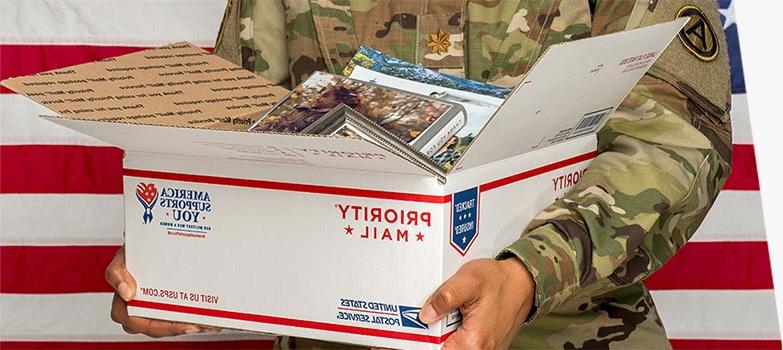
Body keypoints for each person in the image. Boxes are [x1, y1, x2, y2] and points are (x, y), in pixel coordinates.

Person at [106, 0, 732, 348]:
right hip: (340, 336)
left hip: (574, 331)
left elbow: (676, 143)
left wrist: (531, 274)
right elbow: (239, 136)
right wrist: (184, 254)